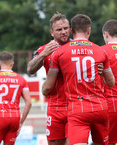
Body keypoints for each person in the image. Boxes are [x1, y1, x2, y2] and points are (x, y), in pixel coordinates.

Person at [42, 14, 115, 145]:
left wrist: (43, 90)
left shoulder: (59, 52)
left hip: (77, 108)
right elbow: (111, 83)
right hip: (100, 107)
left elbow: (47, 87)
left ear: (72, 30)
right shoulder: (101, 51)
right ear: (89, 30)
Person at [27, 12, 70, 145]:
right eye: (59, 30)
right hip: (55, 107)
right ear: (52, 32)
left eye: (66, 28)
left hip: (75, 105)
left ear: (71, 29)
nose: (63, 32)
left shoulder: (78, 47)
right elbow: (30, 69)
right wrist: (43, 55)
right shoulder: (44, 49)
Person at [0, 51, 31, 145]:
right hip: (15, 117)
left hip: (0, 116)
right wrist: (21, 122)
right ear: (12, 63)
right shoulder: (21, 79)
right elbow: (29, 102)